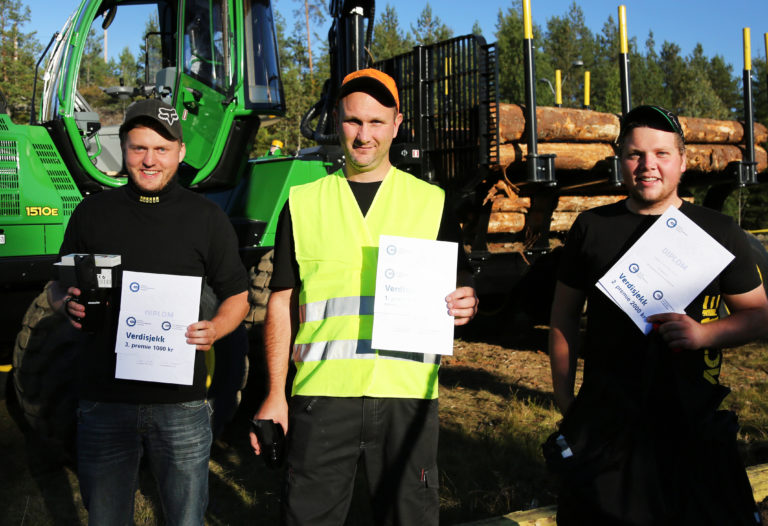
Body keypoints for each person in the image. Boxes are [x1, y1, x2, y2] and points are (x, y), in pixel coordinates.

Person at [249, 68, 478, 525]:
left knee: (409, 518)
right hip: (322, 397)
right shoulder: (303, 201)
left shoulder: (432, 202)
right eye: (354, 121)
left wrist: (468, 301)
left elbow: (462, 286)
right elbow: (281, 302)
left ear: (397, 124)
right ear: (338, 121)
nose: (363, 135)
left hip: (407, 397)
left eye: (376, 122)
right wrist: (276, 395)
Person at [547, 105, 768, 525]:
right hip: (606, 423)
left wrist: (706, 335)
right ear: (621, 162)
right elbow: (563, 318)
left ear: (682, 162)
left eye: (662, 154)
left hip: (691, 422)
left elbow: (759, 316)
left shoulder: (718, 231)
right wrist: (565, 398)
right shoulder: (592, 227)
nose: (648, 165)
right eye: (635, 154)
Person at [48, 99, 249, 526]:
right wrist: (64, 303)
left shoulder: (207, 218)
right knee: (105, 517)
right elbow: (57, 284)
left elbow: (238, 297)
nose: (149, 160)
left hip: (181, 406)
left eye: (160, 149)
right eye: (139, 148)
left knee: (186, 518)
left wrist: (215, 329)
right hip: (104, 401)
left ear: (179, 152)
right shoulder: (92, 213)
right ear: (123, 149)